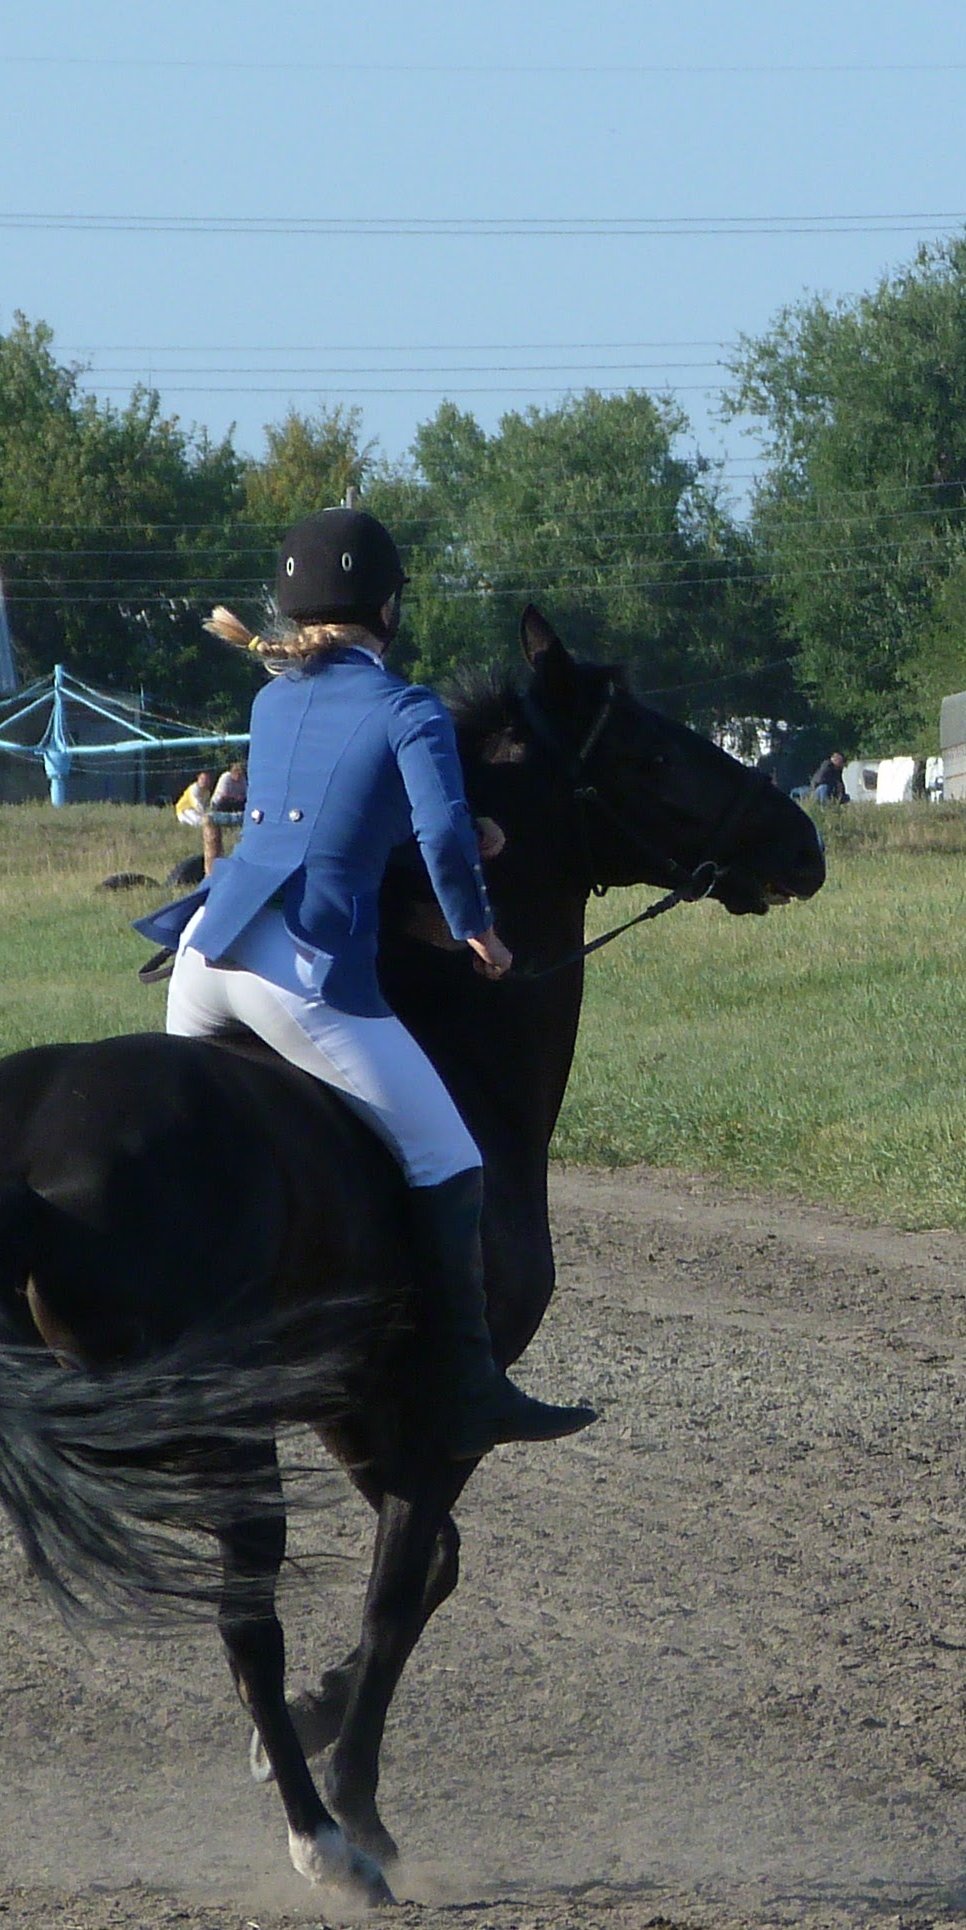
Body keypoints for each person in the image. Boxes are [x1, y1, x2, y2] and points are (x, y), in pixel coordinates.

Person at [166, 506, 590, 1452]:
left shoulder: (274, 700)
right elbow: (436, 832)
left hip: (205, 956)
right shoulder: (409, 709)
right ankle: (473, 1383)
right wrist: (477, 929)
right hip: (298, 972)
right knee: (451, 1159)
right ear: (388, 609)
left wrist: (457, 833)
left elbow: (323, 811)